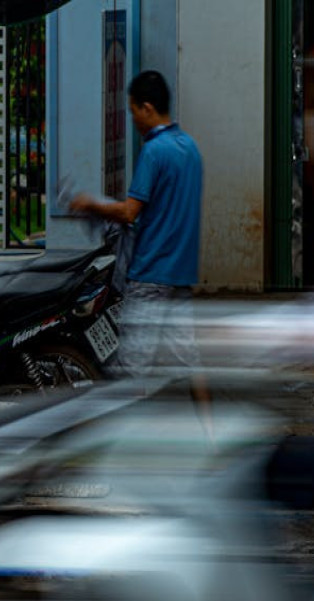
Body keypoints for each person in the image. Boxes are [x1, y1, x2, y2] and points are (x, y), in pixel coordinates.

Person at [69, 70, 204, 380]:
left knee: (130, 372)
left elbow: (130, 212)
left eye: (133, 113)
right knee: (191, 362)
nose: (133, 121)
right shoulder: (190, 148)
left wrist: (91, 204)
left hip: (149, 275)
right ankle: (209, 427)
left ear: (147, 108)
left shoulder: (154, 151)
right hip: (179, 275)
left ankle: (125, 426)